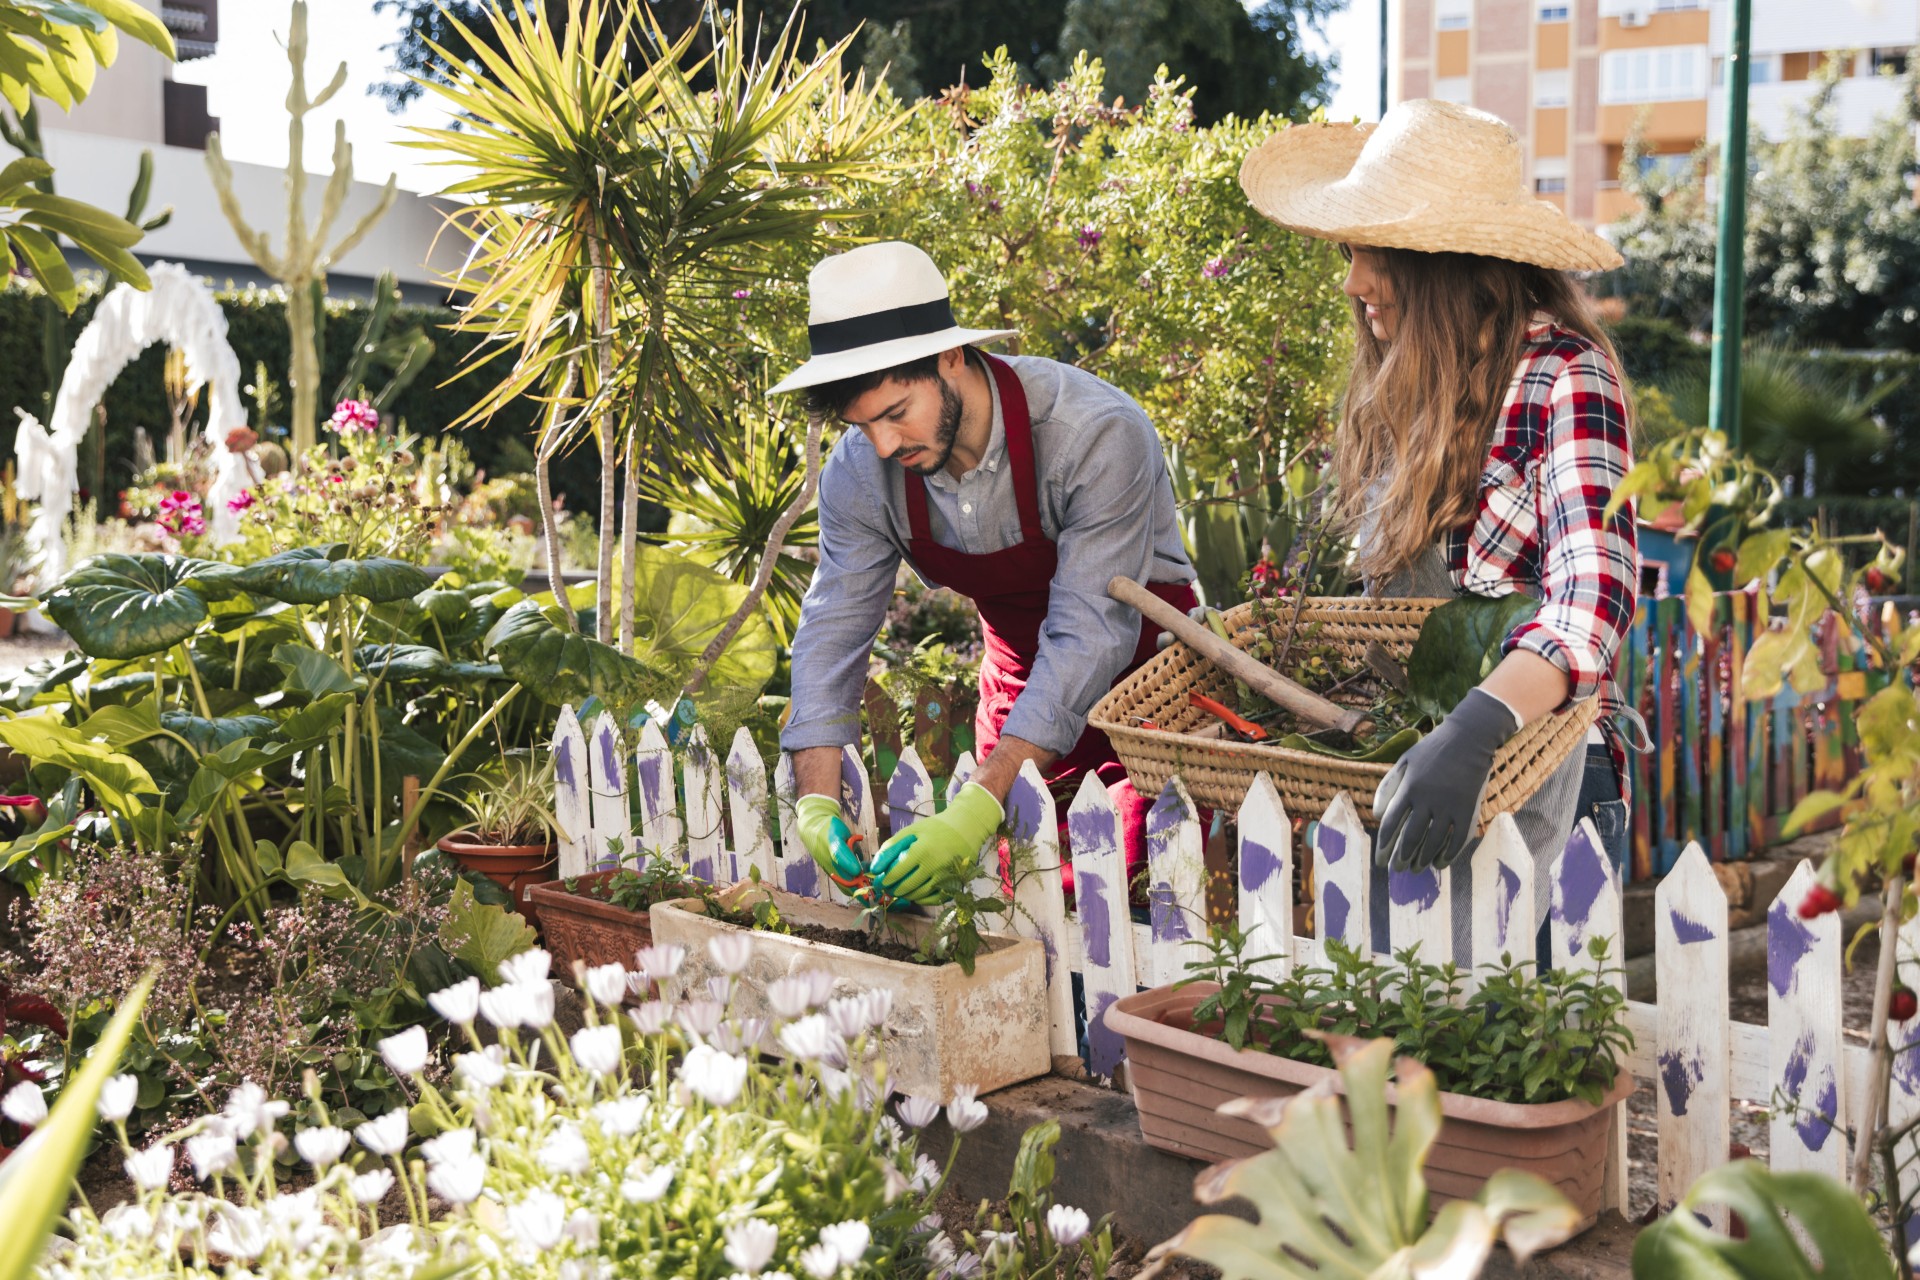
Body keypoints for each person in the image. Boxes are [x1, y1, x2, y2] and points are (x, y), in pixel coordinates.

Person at [1238, 99, 1644, 953]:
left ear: (1439, 260)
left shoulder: (1564, 375)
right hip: (1425, 783)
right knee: (1408, 1056)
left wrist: (1477, 724)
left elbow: (1593, 593)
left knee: (1514, 1070)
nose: (1351, 280)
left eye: (1369, 251)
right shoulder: (1408, 385)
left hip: (1542, 776)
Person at [773, 241, 1198, 905]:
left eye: (894, 414)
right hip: (1018, 684)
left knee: (1142, 910)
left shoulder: (1093, 434)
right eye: (863, 425)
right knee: (1027, 911)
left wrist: (978, 803)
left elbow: (1091, 632)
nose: (884, 446)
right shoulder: (860, 473)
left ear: (950, 356)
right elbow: (833, 629)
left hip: (1143, 692)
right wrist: (817, 801)